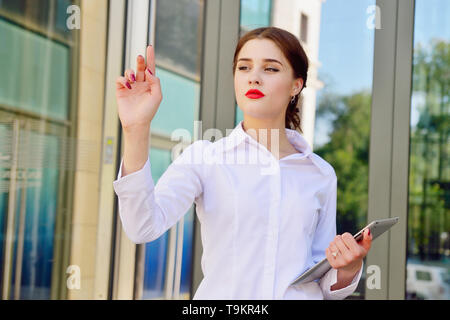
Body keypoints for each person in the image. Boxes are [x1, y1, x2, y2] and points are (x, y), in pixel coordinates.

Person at [113, 26, 372, 300]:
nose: (254, 79)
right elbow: (141, 226)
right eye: (244, 68)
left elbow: (320, 281)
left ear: (296, 85)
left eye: (270, 69)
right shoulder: (206, 158)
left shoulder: (320, 173)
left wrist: (349, 267)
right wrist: (136, 128)